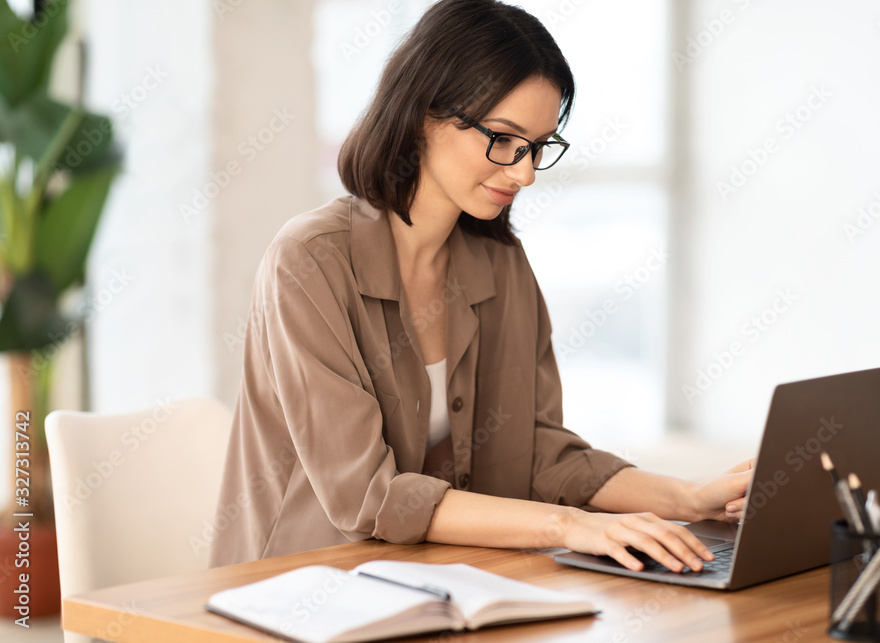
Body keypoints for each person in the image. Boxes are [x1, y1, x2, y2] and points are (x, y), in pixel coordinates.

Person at [207, 0, 752, 573]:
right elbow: (368, 495)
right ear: (422, 112)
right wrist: (570, 525)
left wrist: (687, 499)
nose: (525, 172)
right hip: (293, 590)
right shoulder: (309, 263)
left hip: (433, 582)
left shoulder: (500, 261)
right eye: (504, 138)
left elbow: (536, 451)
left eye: (540, 145)